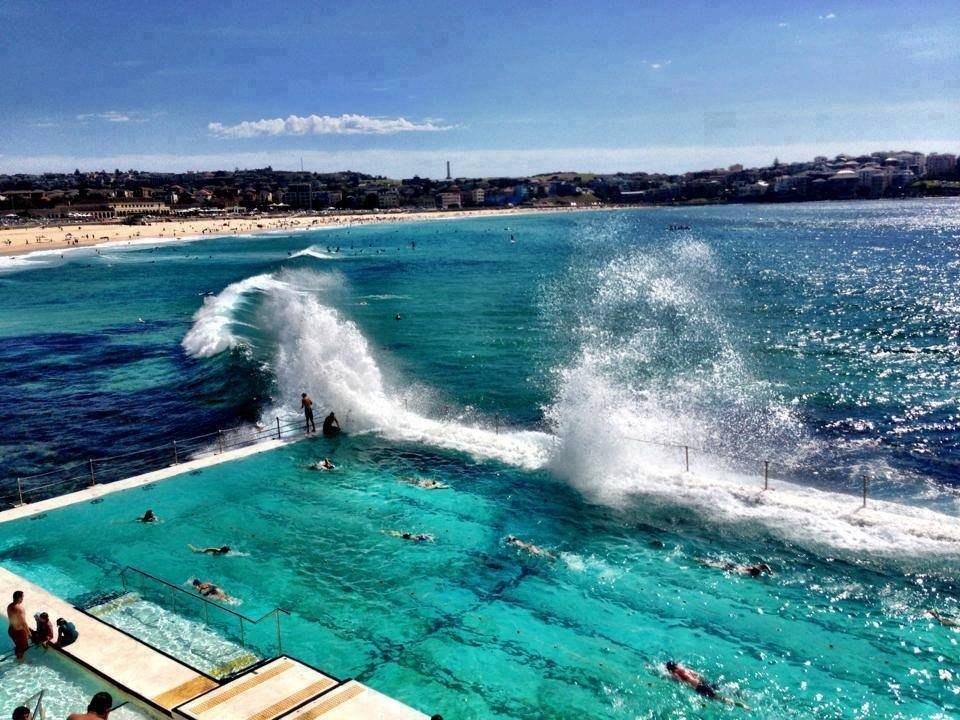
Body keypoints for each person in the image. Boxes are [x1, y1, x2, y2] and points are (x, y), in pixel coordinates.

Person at [665, 661, 749, 709]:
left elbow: (681, 682)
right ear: (676, 665)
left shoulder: (675, 673)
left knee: (720, 699)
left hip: (700, 687)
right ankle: (739, 694)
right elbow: (698, 675)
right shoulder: (686, 669)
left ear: (670, 669)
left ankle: (740, 705)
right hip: (705, 683)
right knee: (721, 689)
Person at [6, 590, 29, 662]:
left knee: (18, 646)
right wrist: (28, 632)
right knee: (24, 647)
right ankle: (21, 662)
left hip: (11, 630)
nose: (23, 599)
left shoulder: (9, 606)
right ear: (19, 598)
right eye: (22, 597)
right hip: (19, 632)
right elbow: (24, 623)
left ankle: (18, 654)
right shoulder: (20, 608)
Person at [697, 558, 773, 577]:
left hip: (737, 565)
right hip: (735, 568)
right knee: (716, 565)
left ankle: (700, 560)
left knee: (717, 563)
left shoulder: (754, 567)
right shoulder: (749, 573)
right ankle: (701, 562)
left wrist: (770, 571)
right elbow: (736, 572)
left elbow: (765, 565)